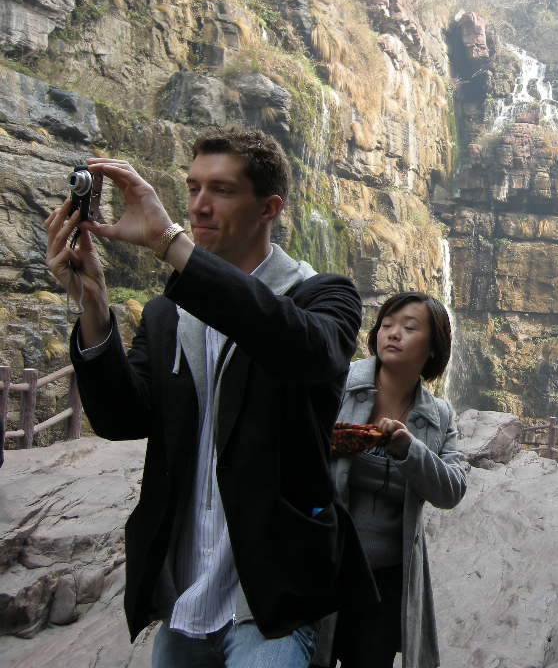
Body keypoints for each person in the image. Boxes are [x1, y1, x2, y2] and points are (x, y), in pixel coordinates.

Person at [44, 127, 368, 667]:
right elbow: (123, 417)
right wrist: (93, 305)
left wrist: (171, 244)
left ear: (269, 208)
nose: (199, 205)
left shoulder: (323, 296)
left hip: (269, 598)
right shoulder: (167, 313)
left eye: (221, 190)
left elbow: (307, 351)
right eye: (193, 187)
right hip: (184, 590)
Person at [319, 292, 468, 668]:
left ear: (433, 347)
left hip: (384, 584)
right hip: (321, 568)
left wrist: (408, 448)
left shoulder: (440, 415)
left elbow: (451, 489)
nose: (393, 334)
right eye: (386, 325)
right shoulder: (336, 384)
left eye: (409, 327)